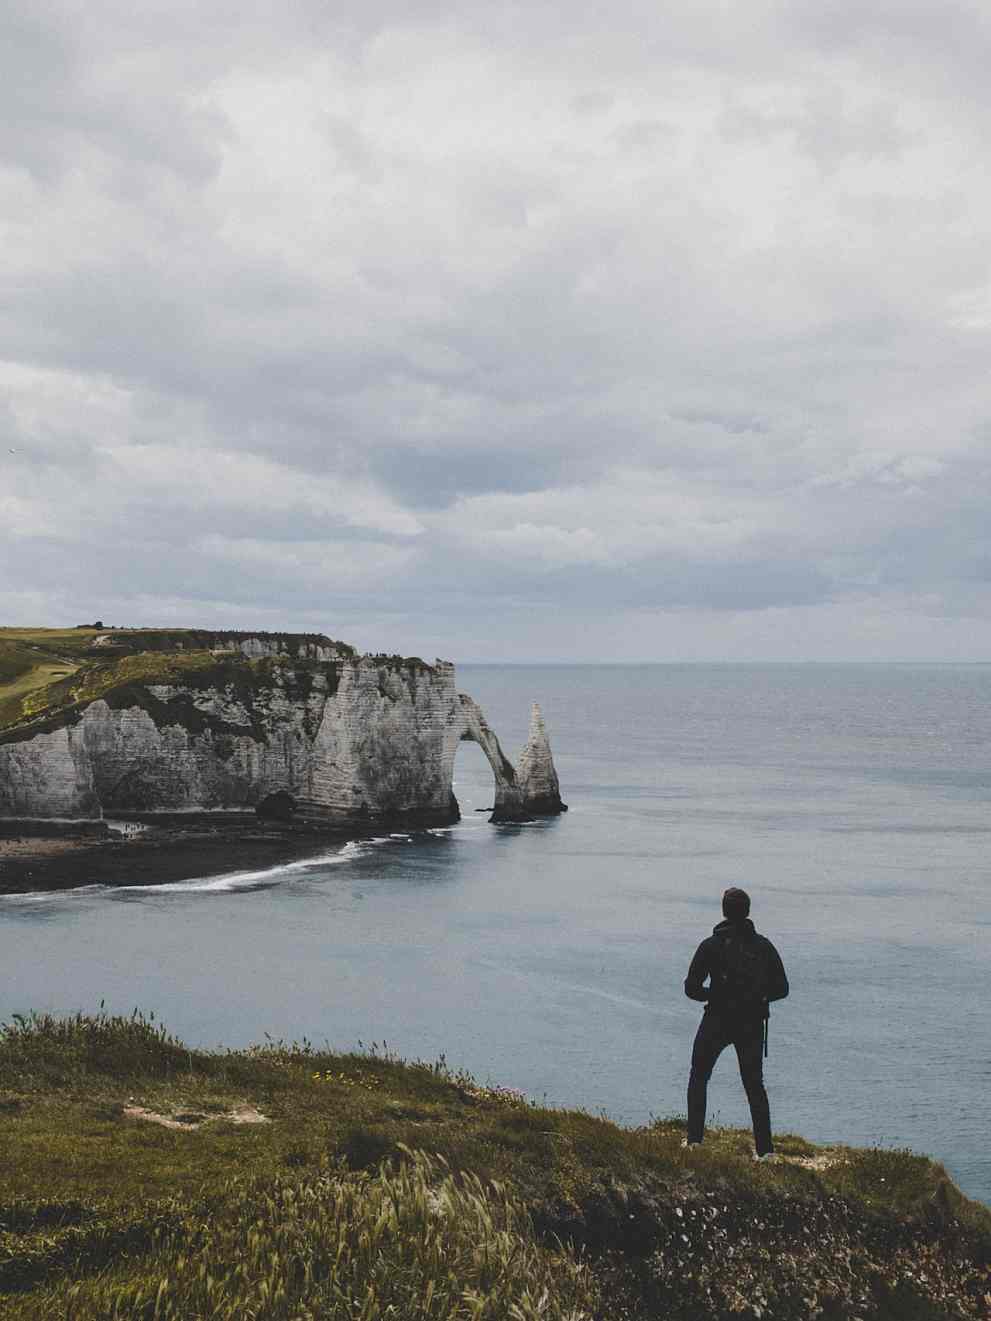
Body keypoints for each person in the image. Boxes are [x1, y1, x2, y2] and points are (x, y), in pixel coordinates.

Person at [683, 887, 788, 1159]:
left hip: (717, 1019)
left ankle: (694, 1142)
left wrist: (715, 995)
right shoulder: (763, 946)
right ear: (748, 911)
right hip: (751, 1024)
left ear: (724, 911)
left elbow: (691, 988)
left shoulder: (710, 945)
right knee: (755, 1086)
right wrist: (758, 997)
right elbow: (782, 988)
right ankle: (765, 1152)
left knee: (699, 1076)